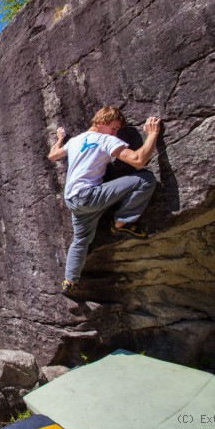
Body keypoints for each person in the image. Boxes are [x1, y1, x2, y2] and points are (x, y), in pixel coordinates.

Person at [47, 106, 161, 295]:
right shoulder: (105, 139)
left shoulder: (75, 141)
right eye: (114, 128)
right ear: (101, 123)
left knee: (81, 239)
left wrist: (60, 139)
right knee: (145, 179)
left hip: (73, 200)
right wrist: (153, 133)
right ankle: (122, 221)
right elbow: (138, 159)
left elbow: (52, 155)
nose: (116, 133)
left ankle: (69, 281)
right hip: (89, 196)